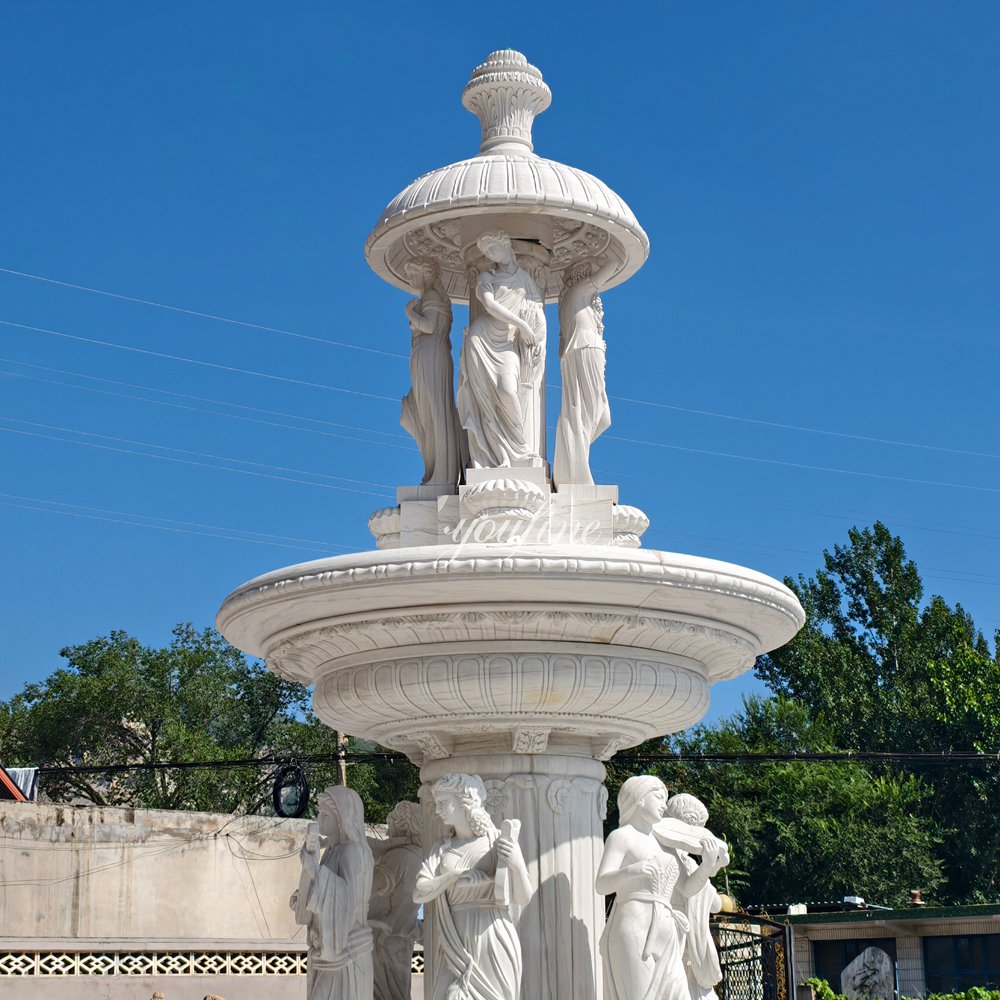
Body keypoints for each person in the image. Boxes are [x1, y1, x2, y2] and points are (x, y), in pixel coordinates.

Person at [596, 776, 725, 1000]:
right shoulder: (621, 836)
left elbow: (687, 888)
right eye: (658, 797)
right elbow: (601, 884)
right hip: (634, 923)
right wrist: (632, 871)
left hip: (668, 929)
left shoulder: (664, 844)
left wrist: (707, 865)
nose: (664, 805)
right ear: (639, 798)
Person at [414, 772, 531, 1000]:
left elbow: (524, 897)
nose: (438, 810)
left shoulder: (496, 841)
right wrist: (453, 877)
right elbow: (418, 893)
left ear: (464, 802)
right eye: (437, 804)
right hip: (454, 938)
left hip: (493, 934)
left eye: (443, 803)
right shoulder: (441, 849)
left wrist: (517, 863)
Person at [456, 231, 546, 469]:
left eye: (494, 250)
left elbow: (538, 313)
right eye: (487, 253)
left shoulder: (526, 279)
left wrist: (536, 342)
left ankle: (521, 450)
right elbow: (489, 304)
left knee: (507, 391)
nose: (492, 256)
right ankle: (499, 457)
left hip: (508, 344)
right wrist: (523, 326)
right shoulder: (487, 276)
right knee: (485, 402)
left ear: (506, 244)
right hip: (481, 338)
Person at [291, 786, 374, 1000]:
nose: (319, 818)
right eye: (319, 812)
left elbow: (348, 901)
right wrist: (303, 897)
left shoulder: (354, 851)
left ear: (342, 817)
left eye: (325, 814)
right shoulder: (332, 851)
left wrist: (314, 870)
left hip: (346, 952)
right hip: (330, 951)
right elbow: (324, 894)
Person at [553, 256, 616, 487]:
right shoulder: (580, 289)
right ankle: (575, 474)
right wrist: (599, 254)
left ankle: (571, 464)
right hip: (586, 349)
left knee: (599, 417)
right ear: (582, 274)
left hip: (577, 354)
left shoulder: (570, 301)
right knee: (588, 414)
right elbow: (614, 264)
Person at [400, 258, 461, 486]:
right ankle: (436, 469)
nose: (412, 280)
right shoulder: (429, 298)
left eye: (414, 274)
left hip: (432, 356)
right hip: (428, 355)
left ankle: (442, 471)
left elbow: (429, 326)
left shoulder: (432, 297)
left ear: (426, 273)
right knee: (428, 411)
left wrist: (409, 312)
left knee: (435, 411)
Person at [662, 793, 725, 1000]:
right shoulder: (667, 856)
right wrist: (707, 867)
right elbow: (688, 889)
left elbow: (715, 904)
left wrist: (712, 867)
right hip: (671, 938)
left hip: (691, 947)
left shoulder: (689, 863)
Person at [369, 801, 425, 1000]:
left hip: (381, 939)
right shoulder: (421, 857)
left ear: (402, 825)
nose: (388, 831)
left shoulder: (399, 856)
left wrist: (364, 851)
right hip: (402, 940)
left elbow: (371, 885)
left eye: (391, 824)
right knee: (399, 994)